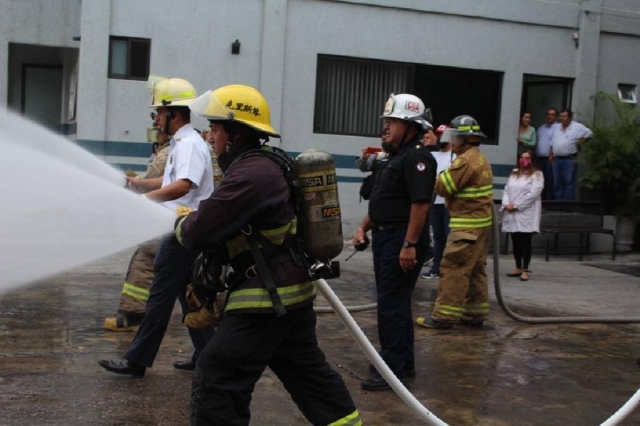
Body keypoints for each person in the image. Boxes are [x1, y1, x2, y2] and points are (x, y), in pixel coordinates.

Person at [176, 84, 361, 425]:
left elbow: (200, 231)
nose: (209, 136)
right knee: (310, 377)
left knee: (217, 377)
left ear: (233, 132)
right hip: (291, 297)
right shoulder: (265, 165)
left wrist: (182, 224)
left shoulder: (251, 174)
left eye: (214, 128)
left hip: (263, 301)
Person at [98, 77, 215, 377]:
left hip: (183, 232)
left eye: (158, 114)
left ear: (173, 114)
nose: (156, 119)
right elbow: (168, 182)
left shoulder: (189, 145)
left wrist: (145, 200)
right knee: (189, 296)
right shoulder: (182, 144)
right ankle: (207, 356)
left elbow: (183, 186)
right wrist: (135, 184)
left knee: (159, 298)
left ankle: (137, 360)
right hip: (184, 231)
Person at [353, 93, 436, 391]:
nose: (385, 127)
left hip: (401, 240)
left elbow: (420, 204)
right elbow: (383, 200)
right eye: (386, 121)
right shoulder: (396, 158)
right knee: (397, 305)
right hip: (387, 236)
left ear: (410, 125)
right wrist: (364, 227)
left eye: (392, 121)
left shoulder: (417, 158)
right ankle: (404, 363)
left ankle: (391, 371)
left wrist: (409, 244)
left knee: (390, 306)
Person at [415, 115, 493, 329]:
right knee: (476, 269)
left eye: (455, 137)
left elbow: (443, 187)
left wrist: (440, 175)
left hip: (467, 226)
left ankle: (443, 317)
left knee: (453, 268)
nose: (451, 141)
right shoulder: (479, 158)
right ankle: (474, 314)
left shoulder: (465, 161)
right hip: (480, 226)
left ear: (465, 138)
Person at [103, 130, 171, 332]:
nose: (154, 126)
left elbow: (153, 178)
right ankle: (133, 314)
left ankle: (133, 314)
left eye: (159, 116)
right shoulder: (171, 150)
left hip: (169, 220)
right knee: (148, 260)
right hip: (166, 220)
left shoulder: (168, 153)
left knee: (149, 261)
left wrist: (134, 182)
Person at [502, 150, 544, 282]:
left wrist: (516, 205)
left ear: (532, 160)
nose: (524, 160)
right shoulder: (514, 173)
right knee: (515, 241)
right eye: (522, 157)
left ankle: (525, 269)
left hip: (526, 212)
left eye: (527, 158)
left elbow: (534, 193)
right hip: (512, 211)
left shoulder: (537, 175)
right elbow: (507, 190)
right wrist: (506, 203)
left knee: (525, 241)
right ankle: (517, 267)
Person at [421, 126, 455, 279]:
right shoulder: (431, 155)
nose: (441, 138)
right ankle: (436, 268)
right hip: (434, 203)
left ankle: (448, 269)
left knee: (449, 237)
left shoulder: (455, 157)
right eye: (438, 135)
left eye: (444, 135)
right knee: (438, 237)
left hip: (448, 204)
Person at [549, 109, 593, 200]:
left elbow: (590, 133)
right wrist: (551, 155)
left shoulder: (577, 126)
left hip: (569, 159)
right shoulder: (557, 127)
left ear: (570, 118)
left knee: (568, 182)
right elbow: (552, 142)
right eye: (561, 116)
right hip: (556, 159)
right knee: (557, 182)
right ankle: (558, 204)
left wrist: (580, 143)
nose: (562, 118)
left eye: (564, 116)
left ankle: (567, 205)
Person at [536, 108, 559, 200]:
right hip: (539, 159)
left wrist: (551, 155)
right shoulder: (541, 128)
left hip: (550, 159)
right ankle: (540, 200)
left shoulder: (558, 127)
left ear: (556, 117)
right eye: (548, 114)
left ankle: (548, 201)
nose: (549, 116)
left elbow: (555, 142)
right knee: (539, 180)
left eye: (552, 114)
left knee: (549, 180)